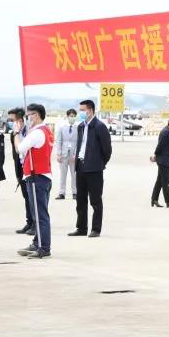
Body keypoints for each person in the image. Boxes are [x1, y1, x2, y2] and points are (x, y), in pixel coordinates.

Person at [15, 103, 54, 259]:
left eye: (28, 116)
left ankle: (44, 247)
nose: (27, 119)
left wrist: (16, 133)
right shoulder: (45, 130)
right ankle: (37, 243)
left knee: (40, 214)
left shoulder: (37, 132)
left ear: (36, 115)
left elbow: (20, 148)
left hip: (37, 177)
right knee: (37, 213)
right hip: (42, 176)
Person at [70, 99, 112, 238]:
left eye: (83, 110)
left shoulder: (100, 126)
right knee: (80, 200)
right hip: (80, 167)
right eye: (80, 110)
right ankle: (81, 228)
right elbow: (80, 145)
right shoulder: (81, 126)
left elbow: (107, 150)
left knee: (95, 200)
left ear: (90, 110)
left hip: (94, 169)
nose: (80, 113)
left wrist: (99, 163)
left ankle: (96, 229)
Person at [6, 107, 34, 235]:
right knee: (26, 197)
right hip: (21, 168)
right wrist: (18, 173)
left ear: (20, 120)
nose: (10, 122)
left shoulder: (30, 131)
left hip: (31, 168)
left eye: (12, 120)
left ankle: (35, 223)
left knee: (32, 197)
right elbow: (15, 154)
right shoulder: (14, 134)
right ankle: (29, 222)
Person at [55, 108, 78, 200]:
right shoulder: (62, 127)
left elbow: (79, 142)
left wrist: (76, 154)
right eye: (71, 116)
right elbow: (59, 141)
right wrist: (58, 154)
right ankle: (62, 193)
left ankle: (75, 192)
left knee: (74, 175)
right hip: (63, 154)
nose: (72, 118)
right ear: (67, 117)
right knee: (62, 175)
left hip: (73, 155)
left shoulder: (78, 128)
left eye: (74, 116)